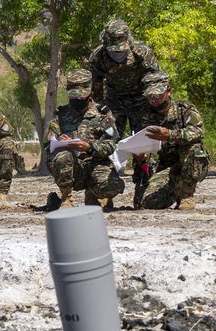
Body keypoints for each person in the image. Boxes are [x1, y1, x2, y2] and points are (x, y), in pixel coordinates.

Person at [88, 19, 161, 207]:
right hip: (114, 101)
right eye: (114, 50)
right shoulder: (98, 57)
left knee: (143, 145)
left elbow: (157, 80)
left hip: (141, 100)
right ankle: (105, 190)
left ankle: (142, 189)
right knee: (107, 141)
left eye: (121, 50)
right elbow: (95, 89)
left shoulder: (142, 53)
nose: (117, 53)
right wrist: (102, 112)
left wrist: (153, 105)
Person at [45, 69, 124, 210]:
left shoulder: (103, 114)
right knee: (63, 156)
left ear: (90, 94)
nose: (76, 101)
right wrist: (59, 140)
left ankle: (93, 194)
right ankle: (65, 199)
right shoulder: (61, 115)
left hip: (96, 164)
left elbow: (111, 143)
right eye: (73, 98)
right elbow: (47, 143)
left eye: (80, 98)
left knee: (113, 186)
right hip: (72, 168)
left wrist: (89, 147)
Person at [138, 71, 210, 210]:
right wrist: (141, 158)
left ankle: (186, 195)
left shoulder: (184, 109)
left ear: (168, 92)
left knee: (193, 147)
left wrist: (171, 134)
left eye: (158, 95)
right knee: (149, 203)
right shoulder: (144, 116)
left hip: (188, 163)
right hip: (165, 167)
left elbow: (198, 131)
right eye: (150, 96)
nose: (154, 99)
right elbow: (144, 143)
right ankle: (175, 190)